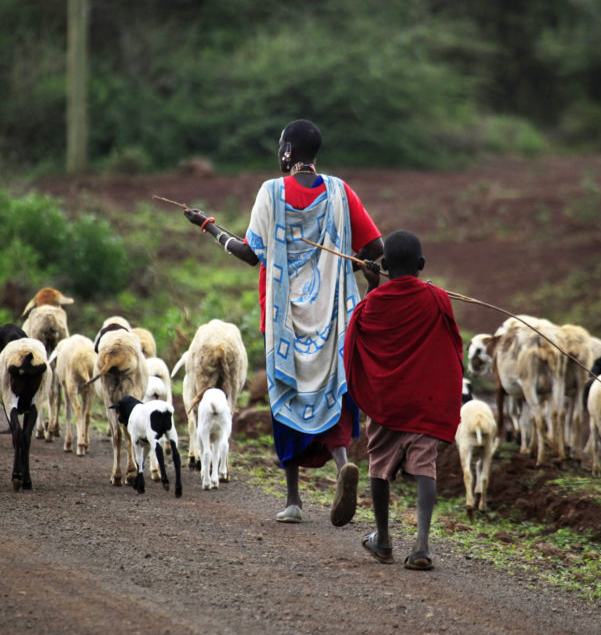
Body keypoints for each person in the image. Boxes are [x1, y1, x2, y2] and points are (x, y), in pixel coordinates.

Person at [182, 119, 383, 525]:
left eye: (280, 146)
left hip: (282, 323)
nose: (279, 153)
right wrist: (365, 266)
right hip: (332, 320)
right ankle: (343, 462)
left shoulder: (271, 193)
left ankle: (293, 501)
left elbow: (251, 252)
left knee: (287, 397)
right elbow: (374, 247)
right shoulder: (341, 192)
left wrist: (209, 227)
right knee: (331, 392)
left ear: (289, 151)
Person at [343, 230, 464, 570]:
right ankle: (422, 546)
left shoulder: (374, 302)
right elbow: (453, 347)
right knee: (425, 465)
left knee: (379, 465)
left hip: (387, 402)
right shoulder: (438, 298)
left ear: (382, 266)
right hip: (424, 401)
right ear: (422, 265)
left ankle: (382, 540)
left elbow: (359, 333)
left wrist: (372, 285)